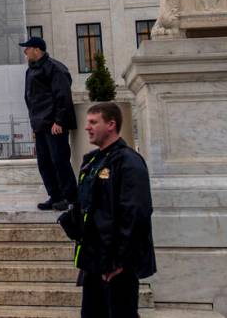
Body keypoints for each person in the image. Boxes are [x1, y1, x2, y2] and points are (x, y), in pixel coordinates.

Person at [68, 102, 156, 318]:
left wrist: (120, 261)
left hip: (118, 264)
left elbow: (136, 214)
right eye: (87, 122)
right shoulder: (92, 162)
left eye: (93, 122)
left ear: (111, 124)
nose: (87, 127)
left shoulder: (129, 162)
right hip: (94, 259)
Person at [19, 36, 78, 210]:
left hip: (54, 125)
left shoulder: (55, 68)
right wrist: (35, 126)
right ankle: (55, 195)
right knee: (44, 163)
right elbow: (31, 99)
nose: (25, 51)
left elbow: (63, 96)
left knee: (59, 161)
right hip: (40, 125)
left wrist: (59, 121)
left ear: (37, 49)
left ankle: (70, 198)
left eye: (27, 48)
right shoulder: (30, 71)